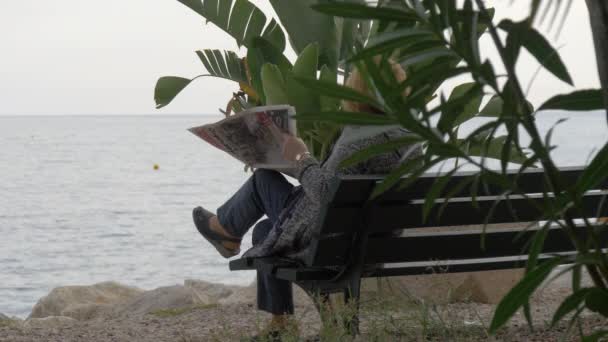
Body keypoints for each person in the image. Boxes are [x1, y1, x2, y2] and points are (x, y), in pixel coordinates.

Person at [192, 60, 422, 340]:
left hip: (332, 244)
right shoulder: (409, 137)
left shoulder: (358, 138)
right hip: (371, 246)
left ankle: (223, 230)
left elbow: (326, 192)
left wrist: (301, 157)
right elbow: (340, 182)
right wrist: (291, 162)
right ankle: (282, 324)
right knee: (265, 234)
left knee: (263, 180)